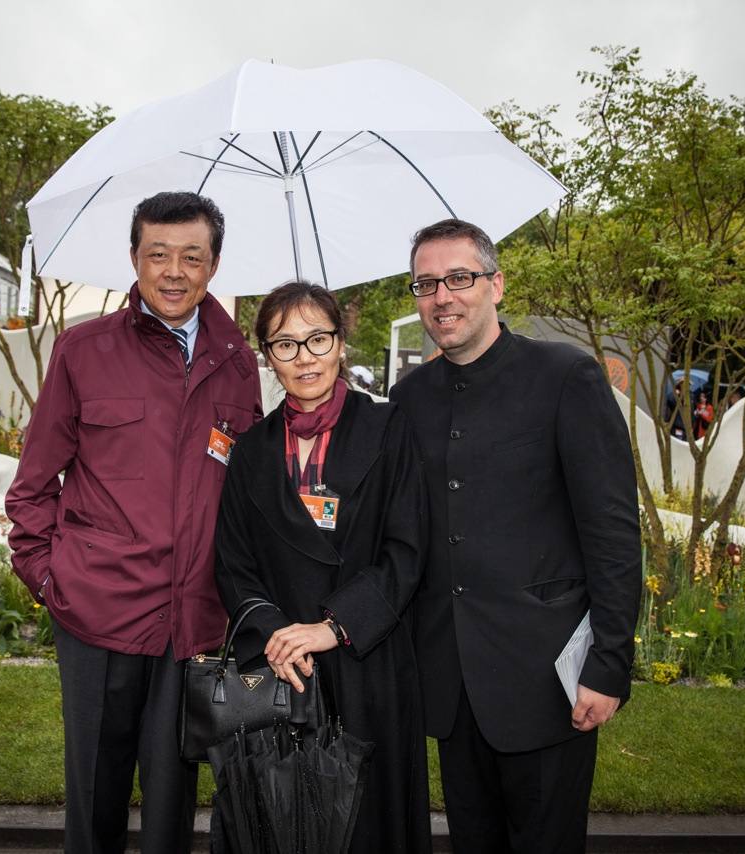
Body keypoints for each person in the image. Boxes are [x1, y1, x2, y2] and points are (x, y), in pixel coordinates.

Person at [5, 192, 262, 854]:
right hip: (97, 616)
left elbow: (246, 492)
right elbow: (32, 487)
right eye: (158, 255)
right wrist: (51, 580)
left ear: (214, 264)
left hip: (193, 626)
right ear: (134, 259)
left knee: (172, 811)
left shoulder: (237, 360)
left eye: (192, 256)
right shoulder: (82, 350)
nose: (174, 271)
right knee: (95, 800)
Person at [389, 219, 641, 854]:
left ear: (496, 285)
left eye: (459, 278)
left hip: (546, 679)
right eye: (426, 283)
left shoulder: (566, 377)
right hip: (450, 679)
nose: (442, 296)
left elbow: (612, 532)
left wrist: (608, 665)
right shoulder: (409, 397)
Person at [213, 281, 432, 853]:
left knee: (365, 829)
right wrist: (279, 636)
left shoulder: (389, 430)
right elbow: (233, 563)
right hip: (282, 667)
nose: (304, 357)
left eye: (317, 339)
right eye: (285, 344)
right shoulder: (251, 451)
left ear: (341, 344)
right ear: (267, 356)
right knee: (277, 823)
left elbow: (407, 551)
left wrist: (332, 627)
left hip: (368, 662)